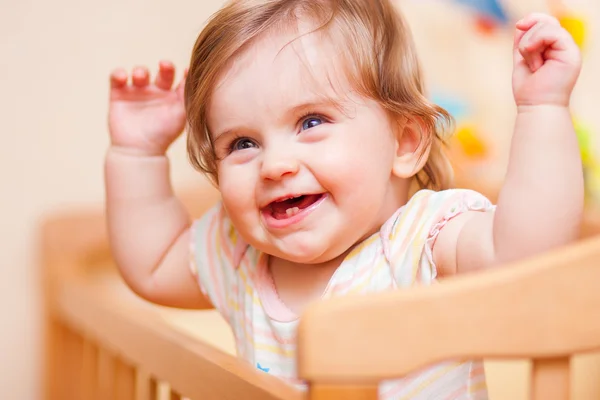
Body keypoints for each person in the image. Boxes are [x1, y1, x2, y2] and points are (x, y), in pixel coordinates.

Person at [105, 0, 583, 398]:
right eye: (242, 143)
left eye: (311, 122)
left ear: (404, 143)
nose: (275, 165)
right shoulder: (239, 254)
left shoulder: (418, 240)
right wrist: (137, 154)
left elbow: (524, 254)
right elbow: (154, 264)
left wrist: (542, 108)